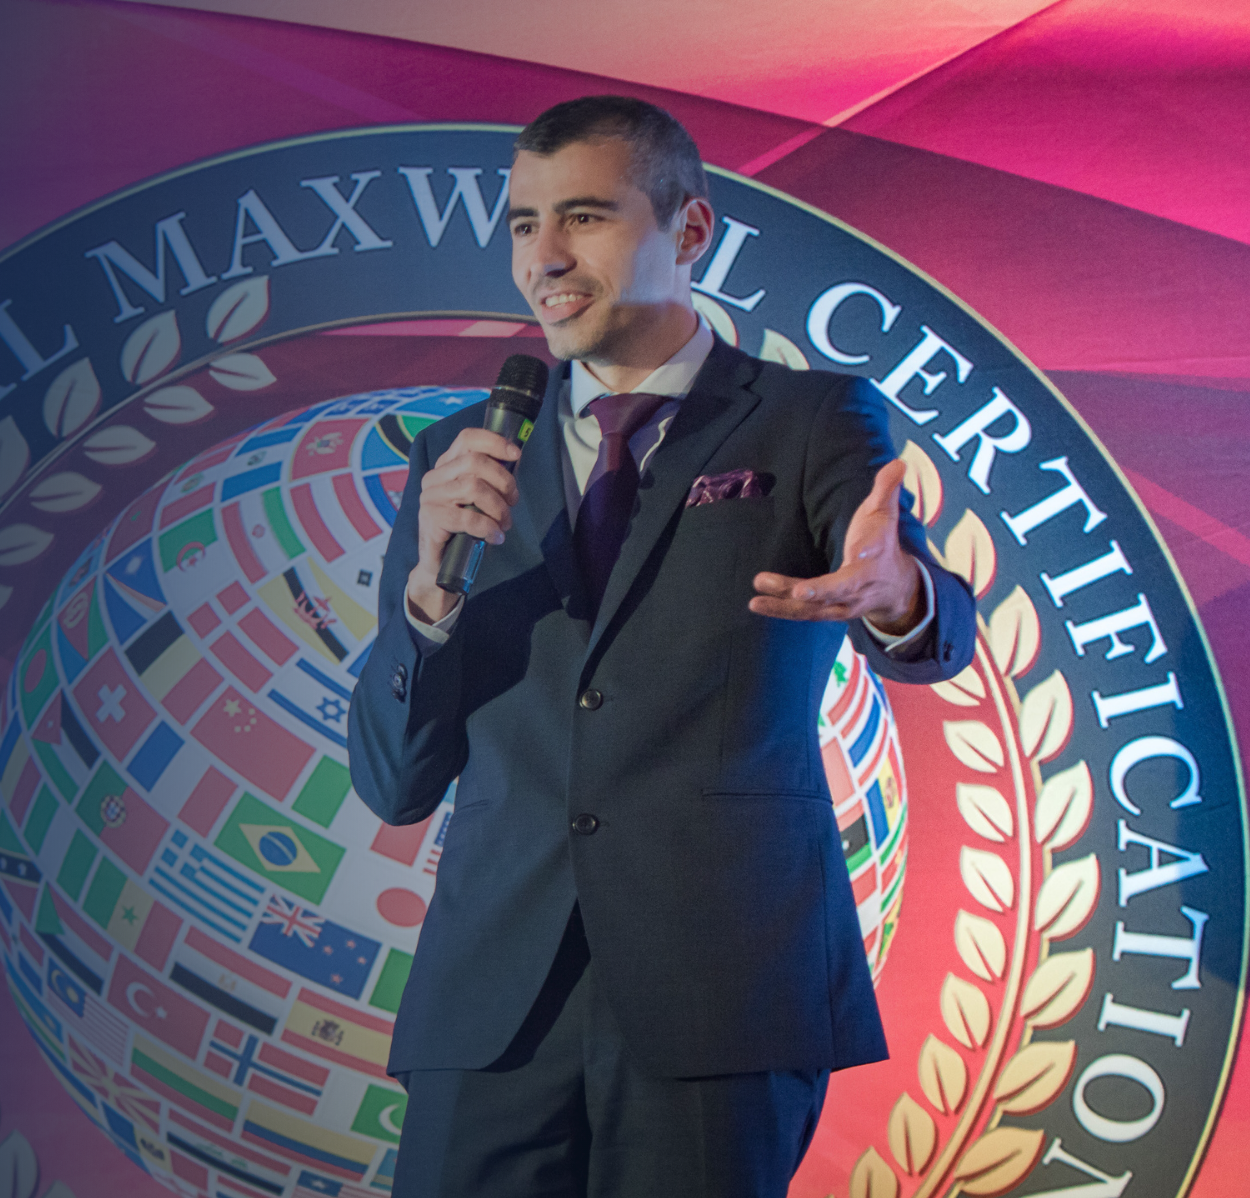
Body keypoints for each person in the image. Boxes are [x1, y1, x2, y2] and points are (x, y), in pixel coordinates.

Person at [346, 95, 976, 1196]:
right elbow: (393, 784)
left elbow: (931, 635)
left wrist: (897, 594)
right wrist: (423, 603)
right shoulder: (459, 455)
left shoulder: (811, 419)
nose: (543, 257)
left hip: (721, 990)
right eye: (523, 223)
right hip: (491, 1003)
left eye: (583, 217)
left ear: (688, 230)